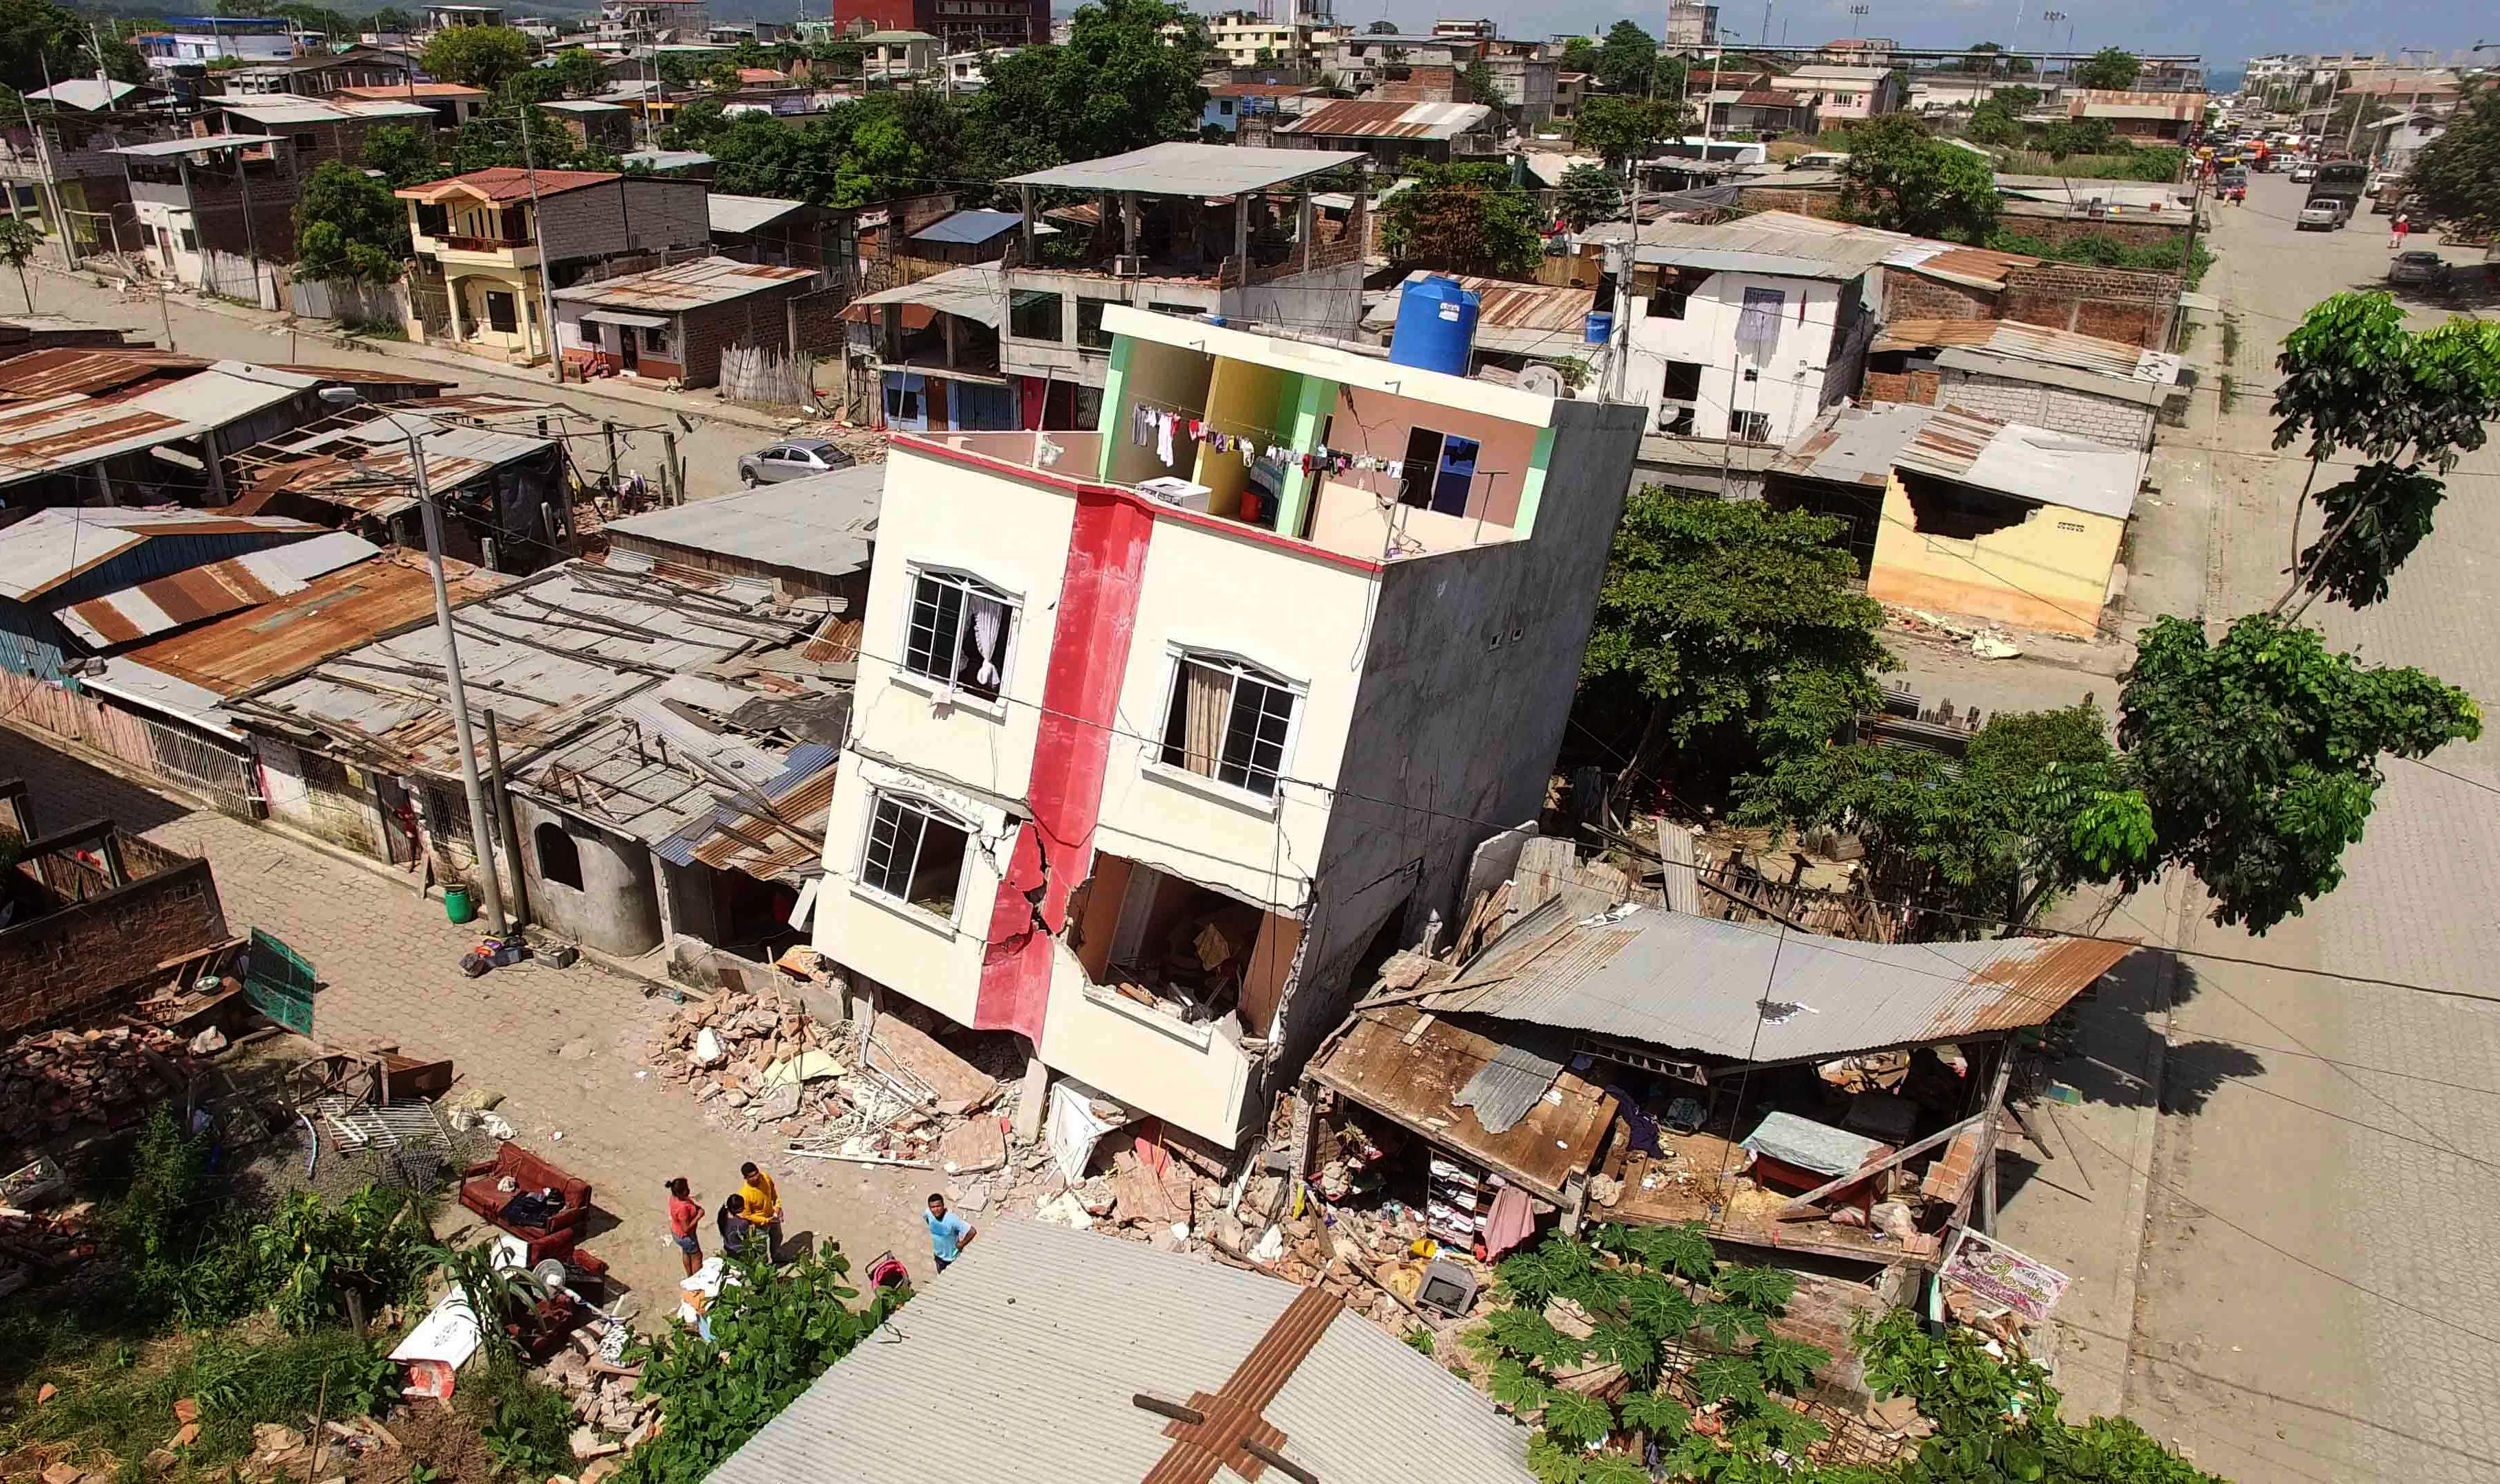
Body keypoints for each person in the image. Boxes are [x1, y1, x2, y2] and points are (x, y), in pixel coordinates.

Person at [736, 1161, 782, 1262]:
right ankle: (763, 1264)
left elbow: (773, 1194)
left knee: (778, 1237)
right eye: (751, 1177)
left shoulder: (765, 1178)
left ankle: (777, 1257)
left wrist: (778, 1206)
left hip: (772, 1216)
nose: (756, 1178)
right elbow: (747, 1215)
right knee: (761, 1248)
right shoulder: (745, 1194)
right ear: (746, 1178)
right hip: (759, 1225)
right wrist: (766, 1221)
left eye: (756, 1174)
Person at [924, 1193, 975, 1273]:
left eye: (938, 1206)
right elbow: (927, 1218)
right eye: (933, 1207)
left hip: (952, 1259)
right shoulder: (928, 1213)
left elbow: (972, 1231)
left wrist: (961, 1244)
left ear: (943, 1205)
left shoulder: (952, 1219)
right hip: (938, 1256)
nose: (936, 1210)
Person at [665, 1176, 702, 1277]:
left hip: (677, 1233)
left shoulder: (674, 1198)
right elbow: (686, 1229)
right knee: (697, 1256)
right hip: (687, 1237)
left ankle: (689, 1276)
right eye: (686, 1189)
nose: (689, 1190)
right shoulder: (683, 1208)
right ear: (680, 1193)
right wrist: (699, 1215)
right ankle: (696, 1281)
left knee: (686, 1252)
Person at [716, 1191, 748, 1259]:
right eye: (742, 1207)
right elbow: (747, 1238)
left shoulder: (722, 1217)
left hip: (728, 1247)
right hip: (740, 1251)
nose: (744, 1208)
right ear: (734, 1209)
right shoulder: (742, 1223)